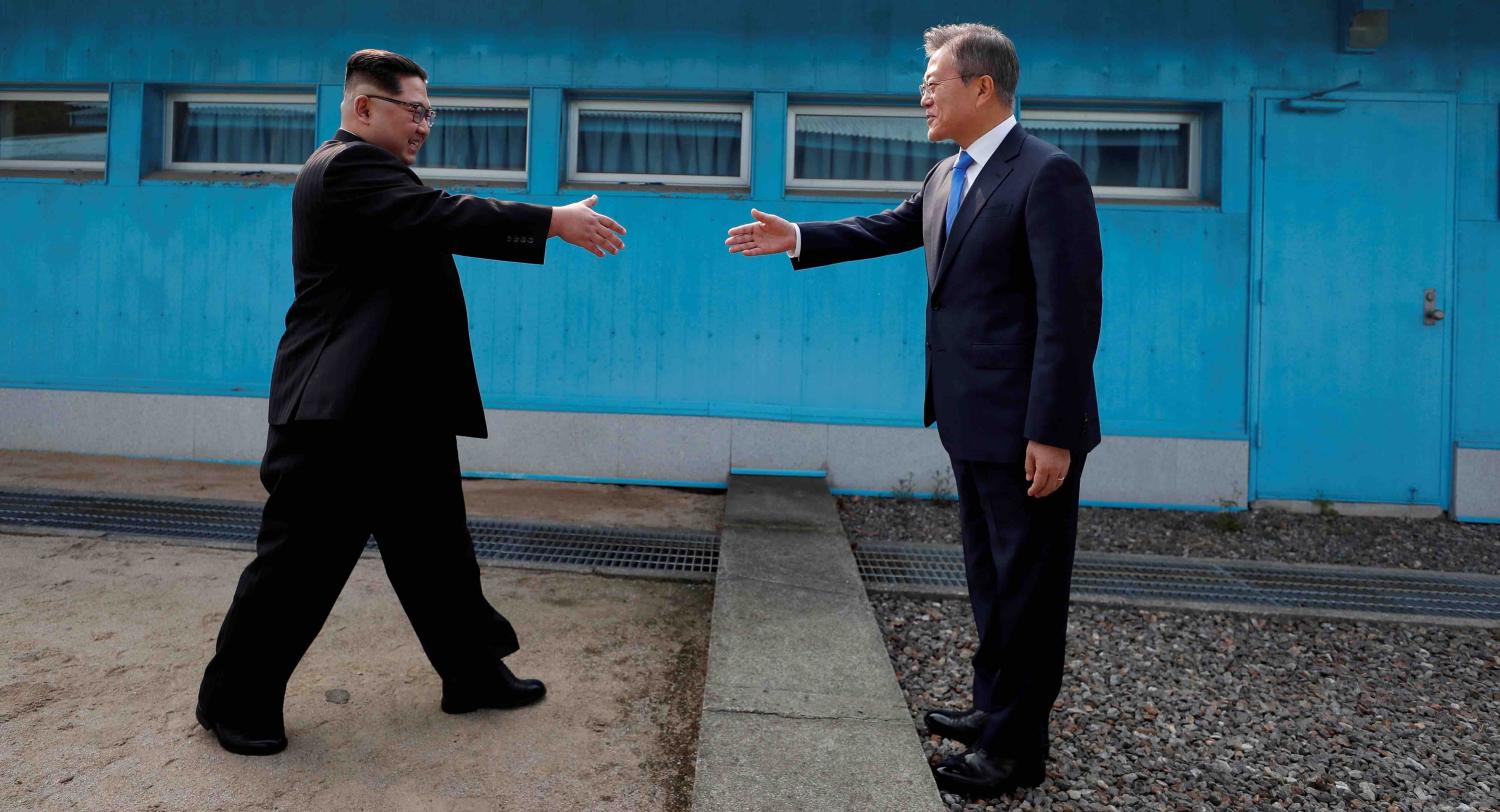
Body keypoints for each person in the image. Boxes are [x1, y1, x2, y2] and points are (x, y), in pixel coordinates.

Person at [196, 48, 627, 756]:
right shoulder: (348, 168)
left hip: (399, 409)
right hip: (339, 415)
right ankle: (231, 700)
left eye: (431, 111)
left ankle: (472, 675)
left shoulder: (379, 176)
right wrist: (550, 220)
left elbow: (425, 224)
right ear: (365, 107)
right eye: (414, 110)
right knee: (298, 567)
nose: (425, 123)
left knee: (438, 556)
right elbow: (442, 215)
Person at [725, 23, 1102, 798]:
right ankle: (992, 708)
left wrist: (1053, 431)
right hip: (969, 417)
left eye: (935, 79)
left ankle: (1014, 753)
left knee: (1029, 590)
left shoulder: (1048, 175)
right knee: (989, 579)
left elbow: (1071, 314)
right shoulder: (946, 176)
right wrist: (797, 234)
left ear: (983, 87)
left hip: (1028, 427)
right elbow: (888, 227)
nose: (922, 92)